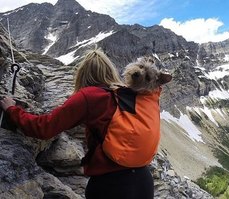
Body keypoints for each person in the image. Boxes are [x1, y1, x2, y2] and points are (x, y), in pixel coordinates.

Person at [0, 49, 155, 199]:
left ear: (82, 74)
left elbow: (44, 128)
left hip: (110, 185)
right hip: (144, 181)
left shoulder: (89, 96)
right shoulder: (126, 94)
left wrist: (12, 110)